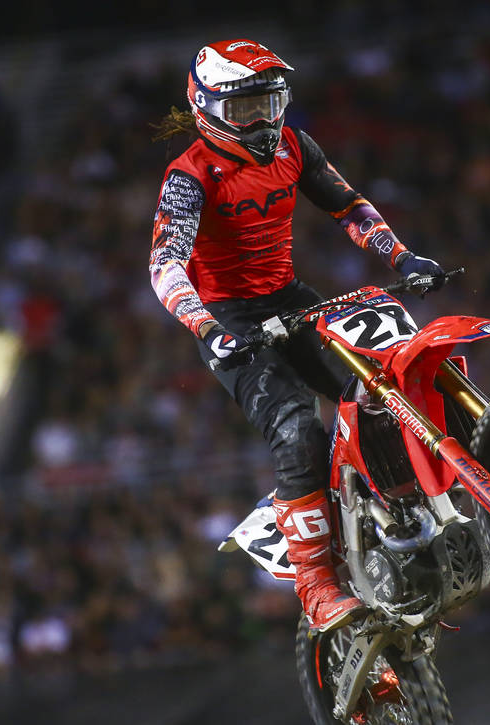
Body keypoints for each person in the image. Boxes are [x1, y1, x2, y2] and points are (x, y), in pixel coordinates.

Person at [148, 39, 445, 632]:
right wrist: (206, 325)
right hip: (229, 320)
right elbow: (165, 264)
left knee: (382, 384)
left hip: (291, 299)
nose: (260, 121)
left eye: (269, 102)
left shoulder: (294, 145)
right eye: (244, 110)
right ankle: (315, 586)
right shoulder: (189, 176)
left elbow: (349, 207)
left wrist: (402, 258)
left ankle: (398, 506)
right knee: (297, 429)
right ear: (205, 108)